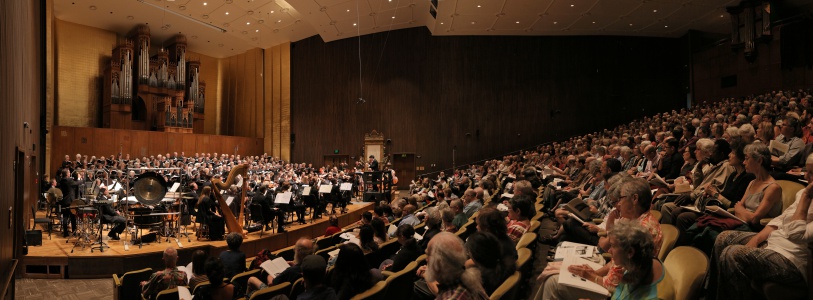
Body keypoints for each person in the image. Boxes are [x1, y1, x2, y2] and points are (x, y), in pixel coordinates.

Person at [706, 153, 813, 300]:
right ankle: (712, 295)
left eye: (811, 173)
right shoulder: (801, 193)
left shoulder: (805, 195)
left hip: (793, 259)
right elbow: (780, 220)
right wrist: (756, 240)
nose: (806, 176)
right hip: (775, 241)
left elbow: (797, 235)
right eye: (807, 171)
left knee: (732, 253)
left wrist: (806, 198)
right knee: (723, 238)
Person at [570, 220, 664, 300]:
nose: (609, 250)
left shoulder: (653, 296)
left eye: (613, 246)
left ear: (630, 252)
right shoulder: (636, 263)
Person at [423, 232, 488, 300]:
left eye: (428, 255)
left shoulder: (455, 297)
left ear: (439, 263)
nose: (426, 259)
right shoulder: (471, 281)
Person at [247, 237, 315, 291]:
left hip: (276, 293)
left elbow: (271, 284)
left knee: (251, 279)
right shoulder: (314, 266)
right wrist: (294, 265)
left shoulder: (290, 271)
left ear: (298, 253)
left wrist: (269, 275)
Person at [57, 169, 77, 237]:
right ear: (66, 174)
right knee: (73, 217)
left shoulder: (62, 180)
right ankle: (74, 232)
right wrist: (82, 179)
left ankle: (65, 233)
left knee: (65, 217)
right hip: (70, 201)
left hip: (64, 201)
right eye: (69, 172)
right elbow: (76, 183)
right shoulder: (69, 180)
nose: (70, 173)